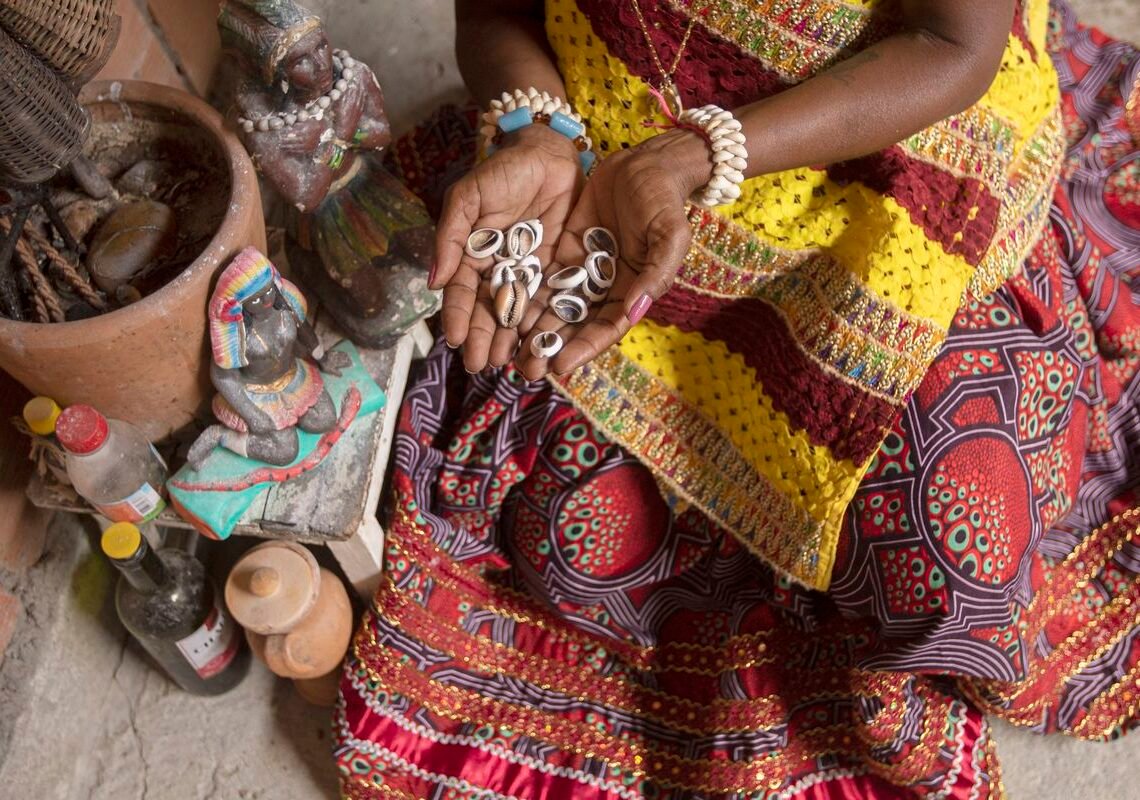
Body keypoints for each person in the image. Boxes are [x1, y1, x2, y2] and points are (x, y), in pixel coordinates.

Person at [336, 1, 1140, 797]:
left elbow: (952, 45)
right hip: (611, 179)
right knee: (567, 535)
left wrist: (695, 154)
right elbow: (491, 14)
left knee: (961, 557)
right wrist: (539, 128)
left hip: (878, 176)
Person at [217, 0, 438, 345]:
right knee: (371, 306)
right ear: (277, 75)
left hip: (369, 185)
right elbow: (308, 196)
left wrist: (333, 137)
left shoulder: (352, 77)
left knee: (430, 255)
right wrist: (336, 138)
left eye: (321, 45)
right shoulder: (267, 128)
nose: (320, 63)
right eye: (300, 61)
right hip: (325, 219)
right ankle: (310, 265)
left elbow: (381, 135)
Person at [187, 246, 348, 469]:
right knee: (285, 452)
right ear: (239, 305)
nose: (265, 301)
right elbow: (223, 376)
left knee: (325, 419)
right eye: (255, 300)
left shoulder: (286, 308)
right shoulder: (236, 334)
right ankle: (220, 436)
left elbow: (305, 331)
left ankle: (291, 418)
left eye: (268, 291)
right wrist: (250, 413)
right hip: (258, 395)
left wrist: (323, 357)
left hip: (293, 379)